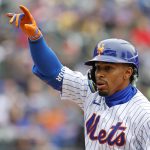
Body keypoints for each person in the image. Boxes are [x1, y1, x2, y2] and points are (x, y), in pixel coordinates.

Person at [6, 5, 150, 150]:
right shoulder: (91, 91)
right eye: (97, 67)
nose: (99, 73)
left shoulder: (144, 115)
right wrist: (36, 38)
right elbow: (52, 72)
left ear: (128, 72)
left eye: (108, 68)